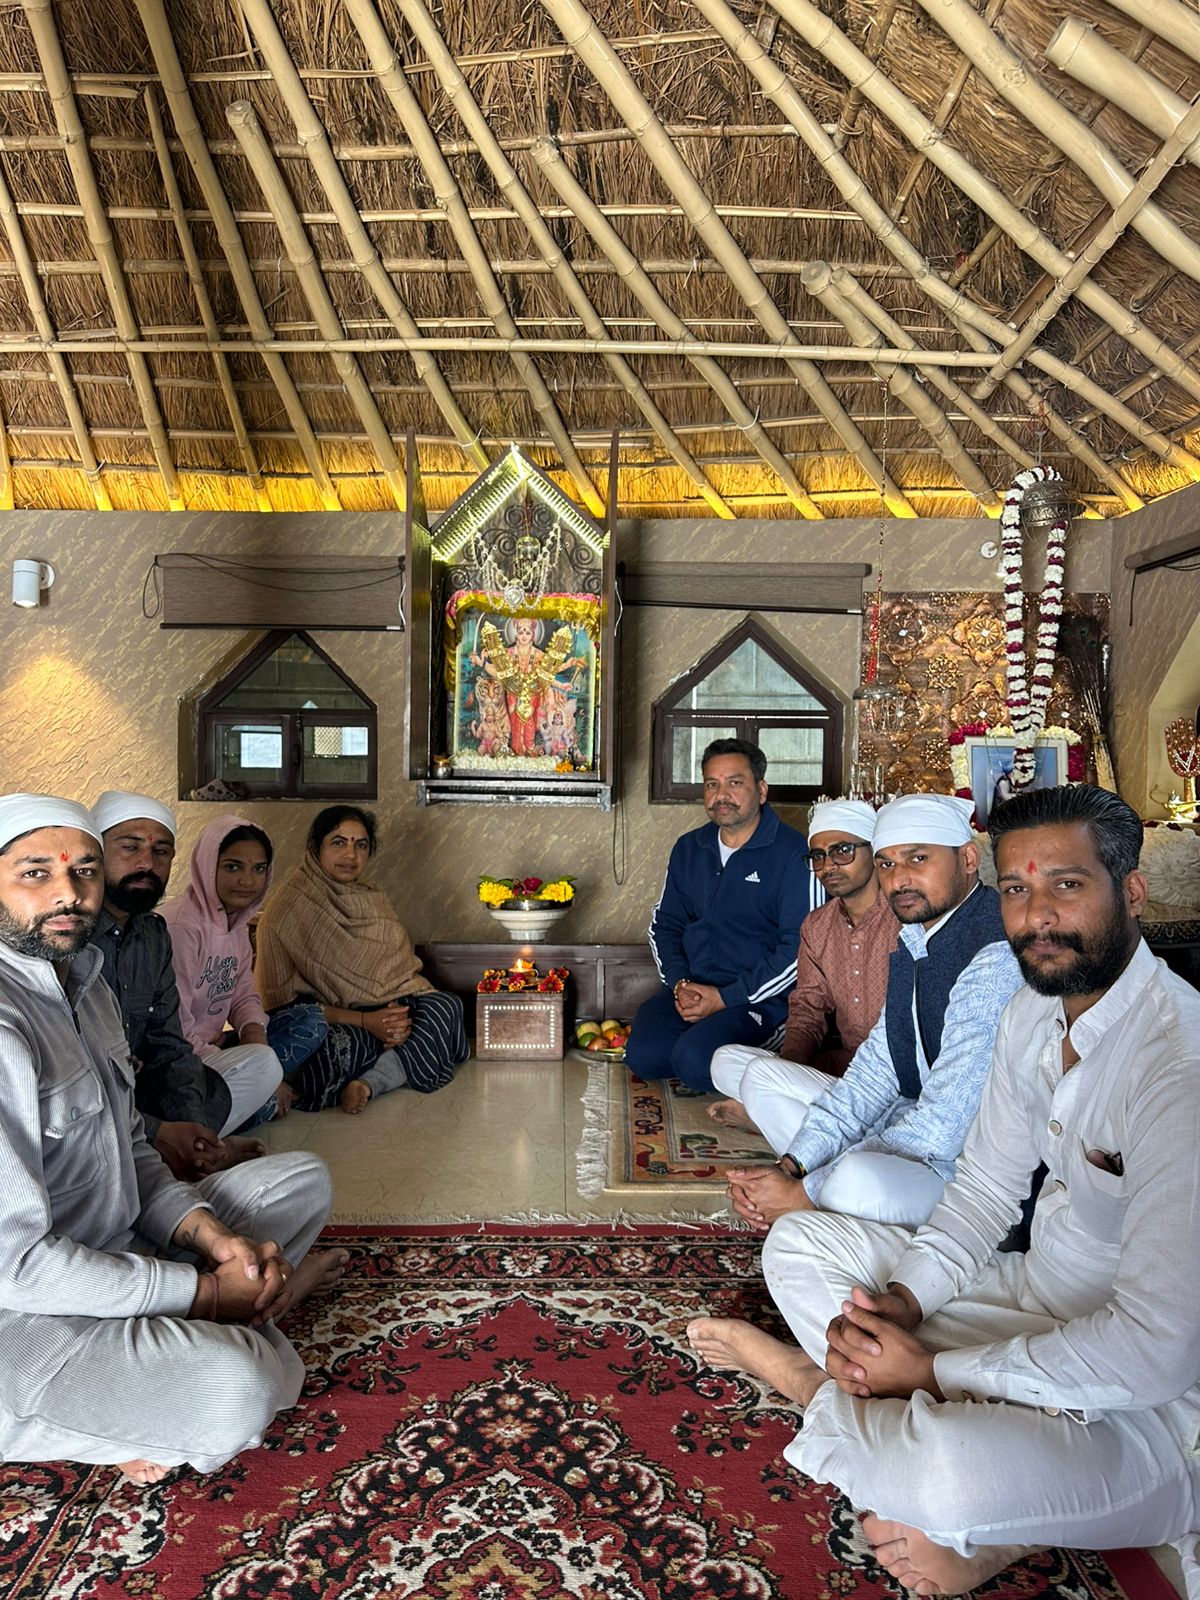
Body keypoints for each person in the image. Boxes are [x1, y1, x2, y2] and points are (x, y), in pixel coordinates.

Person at [726, 785, 1200, 1599]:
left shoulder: (1178, 1064)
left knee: (944, 1475)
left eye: (1066, 884)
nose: (1037, 915)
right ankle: (966, 1469)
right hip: (1030, 1296)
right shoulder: (1034, 1012)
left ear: (1131, 891)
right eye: (1017, 889)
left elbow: (1158, 1351)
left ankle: (815, 1389)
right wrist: (905, 1305)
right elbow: (983, 1191)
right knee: (800, 1244)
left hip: (1158, 1407)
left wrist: (937, 1373)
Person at [0, 793, 345, 1482]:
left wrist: (214, 1242)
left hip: (118, 1249)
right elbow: (19, 1267)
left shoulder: (87, 987)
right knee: (239, 1390)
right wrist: (207, 1294)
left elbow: (132, 1150)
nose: (69, 893)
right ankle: (234, 1327)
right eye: (36, 872)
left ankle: (190, 1341)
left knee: (300, 1179)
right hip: (26, 1313)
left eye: (84, 870)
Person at [93, 790, 267, 1179]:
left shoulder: (152, 936)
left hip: (141, 1088)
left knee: (209, 1084)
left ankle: (192, 1153)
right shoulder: (69, 938)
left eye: (161, 852)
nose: (146, 864)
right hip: (88, 1104)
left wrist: (193, 1129)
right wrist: (158, 1131)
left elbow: (169, 1044)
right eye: (129, 848)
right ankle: (164, 1157)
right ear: (94, 852)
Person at [625, 739, 815, 1094]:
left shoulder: (794, 854)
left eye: (735, 782)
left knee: (694, 1062)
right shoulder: (689, 848)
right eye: (712, 784)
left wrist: (726, 998)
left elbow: (800, 949)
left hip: (761, 1000)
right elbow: (665, 925)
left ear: (761, 791)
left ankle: (766, 1061)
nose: (721, 795)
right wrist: (681, 984)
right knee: (643, 1056)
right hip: (694, 986)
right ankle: (704, 1049)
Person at [254, 805, 468, 1114]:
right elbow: (283, 1008)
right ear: (315, 847)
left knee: (445, 1007)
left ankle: (369, 1082)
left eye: (361, 845)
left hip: (389, 1008)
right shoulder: (287, 908)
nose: (351, 855)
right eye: (338, 842)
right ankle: (394, 1063)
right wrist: (369, 1022)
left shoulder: (370, 896)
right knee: (338, 1050)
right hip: (336, 1019)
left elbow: (397, 974)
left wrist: (393, 1018)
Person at [708, 798, 899, 1134]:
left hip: (897, 1075)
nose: (828, 866)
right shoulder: (817, 926)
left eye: (843, 851)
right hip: (842, 1070)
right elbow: (808, 1009)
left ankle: (777, 1117)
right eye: (818, 856)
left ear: (874, 851)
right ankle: (799, 1115)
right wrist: (786, 1072)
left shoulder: (905, 916)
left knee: (761, 1078)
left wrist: (773, 1083)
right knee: (724, 1061)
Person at [159, 815, 284, 1130]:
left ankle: (257, 1093)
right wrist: (259, 1066)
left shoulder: (237, 923)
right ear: (207, 864)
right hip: (178, 1059)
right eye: (233, 867)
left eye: (259, 869)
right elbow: (174, 1029)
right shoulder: (181, 927)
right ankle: (208, 1125)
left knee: (308, 1021)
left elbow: (243, 994)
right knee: (267, 1068)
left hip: (217, 1047)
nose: (247, 881)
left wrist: (255, 1038)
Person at [471, 617, 583, 758]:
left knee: (530, 725)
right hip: (513, 693)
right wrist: (481, 663)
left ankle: (529, 750)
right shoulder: (509, 653)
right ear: (516, 634)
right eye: (521, 632)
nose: (524, 636)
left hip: (532, 693)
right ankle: (516, 751)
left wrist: (564, 673)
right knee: (515, 723)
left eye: (527, 633)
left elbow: (547, 672)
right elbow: (499, 672)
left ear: (533, 635)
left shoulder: (538, 654)